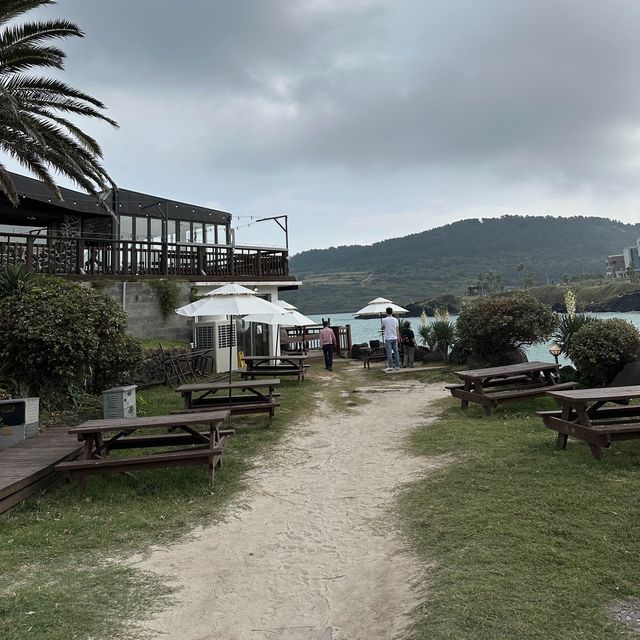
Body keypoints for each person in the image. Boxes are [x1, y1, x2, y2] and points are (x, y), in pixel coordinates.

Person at [381, 307, 400, 372]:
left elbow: (383, 328)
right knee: (396, 352)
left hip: (388, 338)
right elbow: (397, 330)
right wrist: (398, 337)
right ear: (392, 312)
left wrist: (382, 327)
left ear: (386, 312)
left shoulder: (384, 320)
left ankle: (390, 366)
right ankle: (397, 366)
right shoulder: (395, 320)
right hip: (395, 337)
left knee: (389, 353)